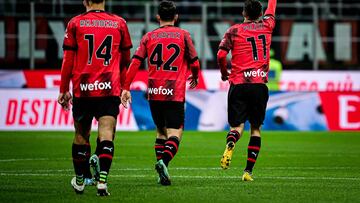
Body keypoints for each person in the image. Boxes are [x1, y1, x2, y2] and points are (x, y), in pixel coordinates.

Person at [121, 1, 200, 186]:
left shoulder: (149, 37)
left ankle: (161, 172)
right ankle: (163, 162)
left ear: (158, 17)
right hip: (174, 92)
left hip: (154, 92)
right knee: (176, 132)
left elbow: (135, 62)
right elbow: (195, 62)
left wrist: (126, 87)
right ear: (176, 17)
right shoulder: (183, 35)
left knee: (160, 131)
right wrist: (195, 76)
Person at [57, 0, 132, 196]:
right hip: (109, 88)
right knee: (107, 133)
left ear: (85, 1)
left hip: (83, 89)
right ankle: (102, 182)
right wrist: (125, 86)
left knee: (81, 135)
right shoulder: (119, 23)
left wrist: (64, 88)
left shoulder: (75, 23)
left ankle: (80, 181)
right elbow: (126, 61)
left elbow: (68, 60)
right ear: (105, 0)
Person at [217, 0, 277, 181]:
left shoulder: (233, 30)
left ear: (244, 13)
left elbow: (221, 54)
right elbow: (272, 8)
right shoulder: (267, 25)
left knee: (236, 126)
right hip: (259, 85)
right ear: (261, 14)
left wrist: (223, 72)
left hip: (239, 84)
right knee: (256, 129)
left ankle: (231, 142)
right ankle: (247, 172)